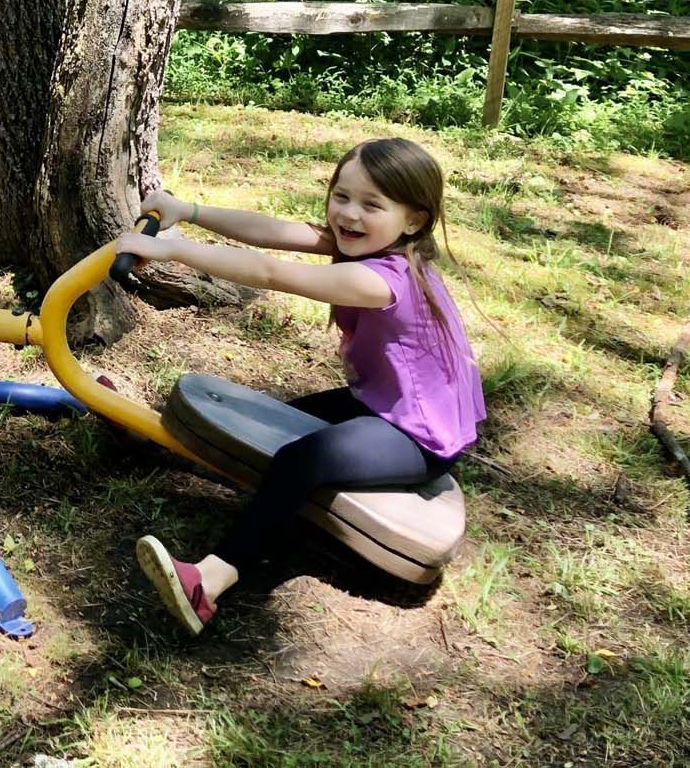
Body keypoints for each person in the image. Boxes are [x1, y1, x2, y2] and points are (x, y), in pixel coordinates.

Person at [114, 136, 487, 635]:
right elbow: (272, 232)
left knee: (297, 460)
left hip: (418, 435)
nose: (349, 215)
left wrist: (169, 249)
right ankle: (157, 444)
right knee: (272, 429)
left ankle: (208, 581)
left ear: (414, 220)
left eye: (371, 204)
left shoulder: (381, 280)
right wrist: (189, 209)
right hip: (379, 404)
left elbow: (270, 272)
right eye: (342, 196)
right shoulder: (372, 243)